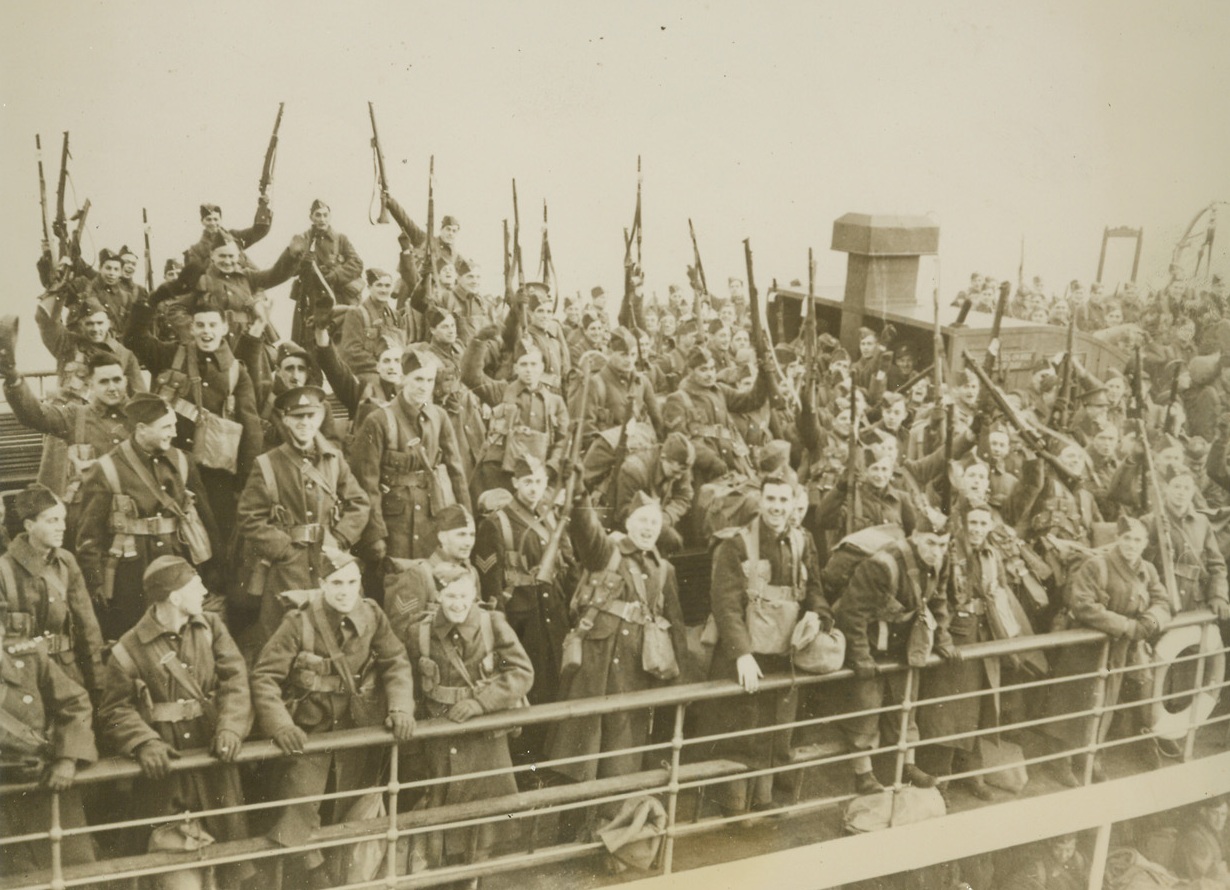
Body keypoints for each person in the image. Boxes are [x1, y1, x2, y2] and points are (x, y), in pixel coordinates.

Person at [250, 549, 415, 888]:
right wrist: (281, 725)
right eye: (337, 583)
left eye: (353, 582)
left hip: (357, 730)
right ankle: (313, 874)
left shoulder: (372, 615)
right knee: (298, 810)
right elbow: (264, 677)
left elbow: (396, 660)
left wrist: (400, 706)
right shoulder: (299, 622)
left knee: (350, 811)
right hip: (310, 731)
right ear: (322, 583)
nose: (345, 591)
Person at [97, 557, 252, 882]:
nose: (206, 591)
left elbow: (236, 680)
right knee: (168, 868)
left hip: (214, 764)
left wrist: (230, 727)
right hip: (165, 774)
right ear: (175, 597)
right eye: (196, 586)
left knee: (230, 864)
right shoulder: (127, 649)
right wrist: (143, 742)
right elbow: (114, 711)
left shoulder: (211, 627)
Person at [546, 487, 685, 801]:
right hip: (595, 671)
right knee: (580, 758)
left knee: (622, 760)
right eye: (642, 521)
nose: (649, 528)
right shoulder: (606, 552)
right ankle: (572, 830)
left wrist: (681, 683)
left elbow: (675, 625)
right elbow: (586, 530)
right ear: (628, 523)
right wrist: (581, 498)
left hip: (636, 674)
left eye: (654, 522)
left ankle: (611, 825)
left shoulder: (664, 569)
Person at [704, 470, 829, 816]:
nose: (776, 507)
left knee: (779, 730)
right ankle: (734, 807)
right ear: (760, 501)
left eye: (783, 500)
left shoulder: (802, 541)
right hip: (746, 656)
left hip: (785, 654)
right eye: (770, 499)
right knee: (742, 732)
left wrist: (817, 615)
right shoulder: (737, 543)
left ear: (793, 504)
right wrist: (741, 655)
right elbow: (726, 605)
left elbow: (816, 590)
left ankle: (765, 801)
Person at [406, 566, 533, 871]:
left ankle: (475, 875)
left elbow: (522, 672)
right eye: (450, 595)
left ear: (475, 594)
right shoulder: (419, 632)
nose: (458, 603)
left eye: (464, 595)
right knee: (442, 816)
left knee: (486, 823)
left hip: (484, 738)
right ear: (438, 596)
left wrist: (480, 703)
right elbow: (410, 682)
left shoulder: (493, 624)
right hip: (440, 736)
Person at [236, 385, 371, 655]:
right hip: (287, 568)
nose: (305, 423)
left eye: (311, 416)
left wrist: (341, 538)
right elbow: (249, 517)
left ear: (320, 418)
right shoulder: (267, 464)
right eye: (298, 417)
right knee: (283, 634)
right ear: (286, 420)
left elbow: (359, 503)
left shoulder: (334, 459)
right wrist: (284, 550)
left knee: (336, 630)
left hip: (329, 561)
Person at [76, 393, 220, 640]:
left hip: (178, 564)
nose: (173, 433)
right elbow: (89, 537)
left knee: (182, 633)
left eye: (173, 425)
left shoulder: (182, 461)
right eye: (166, 427)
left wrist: (215, 566)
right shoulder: (107, 468)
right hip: (130, 576)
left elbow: (206, 516)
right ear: (141, 429)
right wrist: (96, 584)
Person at [836, 510, 958, 793]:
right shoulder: (884, 564)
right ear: (915, 537)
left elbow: (938, 602)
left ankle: (907, 764)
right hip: (870, 640)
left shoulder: (940, 562)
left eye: (942, 545)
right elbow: (852, 612)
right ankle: (863, 772)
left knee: (906, 703)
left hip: (902, 641)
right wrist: (861, 657)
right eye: (930, 543)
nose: (936, 551)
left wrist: (943, 639)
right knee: (866, 705)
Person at [124, 290, 264, 534]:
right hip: (171, 467)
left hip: (216, 475)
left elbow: (251, 430)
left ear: (224, 328)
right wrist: (151, 302)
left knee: (218, 535)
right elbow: (134, 339)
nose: (206, 331)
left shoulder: (235, 372)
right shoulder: (171, 355)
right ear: (191, 328)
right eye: (199, 325)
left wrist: (245, 483)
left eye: (212, 325)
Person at [1046, 517, 1172, 786]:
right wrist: (1126, 625)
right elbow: (1083, 604)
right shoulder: (1097, 565)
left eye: (1137, 540)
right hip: (1085, 650)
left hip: (1118, 652)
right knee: (1073, 702)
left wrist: (1149, 620)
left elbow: (1163, 601)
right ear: (1118, 539)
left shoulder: (1147, 570)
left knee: (1104, 704)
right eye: (1126, 538)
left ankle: (1090, 756)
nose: (1131, 545)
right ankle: (1061, 761)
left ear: (1145, 544)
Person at [473, 457, 575, 763]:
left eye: (539, 482)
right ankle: (524, 761)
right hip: (520, 623)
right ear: (515, 483)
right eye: (527, 482)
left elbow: (567, 567)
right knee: (525, 690)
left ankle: (545, 758)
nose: (534, 488)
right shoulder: (496, 523)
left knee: (553, 687)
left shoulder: (551, 518)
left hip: (552, 616)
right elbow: (491, 586)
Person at [350, 350, 472, 563]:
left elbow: (456, 472)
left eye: (429, 380)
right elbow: (367, 482)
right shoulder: (378, 420)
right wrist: (375, 534)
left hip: (431, 519)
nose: (423, 386)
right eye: (417, 379)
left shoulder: (439, 417)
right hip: (394, 524)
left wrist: (466, 521)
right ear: (404, 379)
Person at [0, 624, 97, 878]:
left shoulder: (29, 658)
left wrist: (67, 758)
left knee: (76, 876)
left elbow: (75, 703)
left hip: (45, 791)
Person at [4, 351, 130, 531]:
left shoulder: (141, 416)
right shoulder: (75, 416)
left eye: (117, 380)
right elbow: (35, 415)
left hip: (131, 519)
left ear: (125, 380)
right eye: (103, 381)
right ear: (91, 385)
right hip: (88, 520)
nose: (112, 387)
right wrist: (13, 379)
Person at [0, 485, 104, 694]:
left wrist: (99, 686)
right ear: (29, 525)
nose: (62, 527)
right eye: (52, 521)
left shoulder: (66, 562)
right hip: (25, 680)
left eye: (62, 519)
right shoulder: (4, 571)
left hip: (68, 674)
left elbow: (87, 629)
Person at [463, 335, 570, 496]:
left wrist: (549, 469)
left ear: (542, 367)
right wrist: (478, 341)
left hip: (537, 476)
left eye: (533, 364)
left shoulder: (555, 402)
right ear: (516, 368)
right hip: (500, 474)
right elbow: (470, 377)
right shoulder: (502, 391)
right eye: (524, 364)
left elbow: (564, 440)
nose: (529, 369)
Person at [661, 344, 773, 485]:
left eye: (712, 368)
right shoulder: (678, 399)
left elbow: (751, 401)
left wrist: (763, 374)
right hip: (703, 472)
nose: (710, 374)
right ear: (690, 371)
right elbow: (680, 442)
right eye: (703, 370)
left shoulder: (719, 390)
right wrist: (712, 462)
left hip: (732, 463)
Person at [33, 295, 145, 398]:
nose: (95, 329)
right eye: (89, 324)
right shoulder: (67, 343)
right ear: (81, 325)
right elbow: (46, 322)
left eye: (100, 323)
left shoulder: (125, 355)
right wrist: (58, 295)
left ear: (109, 323)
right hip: (70, 413)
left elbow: (139, 397)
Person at [287, 199, 365, 345]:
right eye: (318, 215)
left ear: (330, 216)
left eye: (325, 215)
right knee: (307, 341)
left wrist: (335, 275)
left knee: (339, 341)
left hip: (336, 298)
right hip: (310, 299)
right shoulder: (303, 239)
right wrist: (302, 262)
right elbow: (289, 269)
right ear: (311, 217)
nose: (322, 219)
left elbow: (357, 263)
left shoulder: (340, 239)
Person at [339, 268, 405, 382]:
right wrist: (380, 367)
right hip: (367, 374)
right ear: (369, 288)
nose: (384, 290)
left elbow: (402, 347)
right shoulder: (357, 314)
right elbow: (351, 352)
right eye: (379, 285)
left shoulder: (395, 316)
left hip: (393, 372)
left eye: (387, 285)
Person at [182, 200, 273, 277]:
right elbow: (197, 277)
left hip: (247, 282)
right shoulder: (196, 250)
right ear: (202, 221)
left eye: (216, 219)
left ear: (220, 220)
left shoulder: (234, 236)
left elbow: (258, 231)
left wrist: (263, 207)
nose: (213, 223)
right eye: (208, 219)